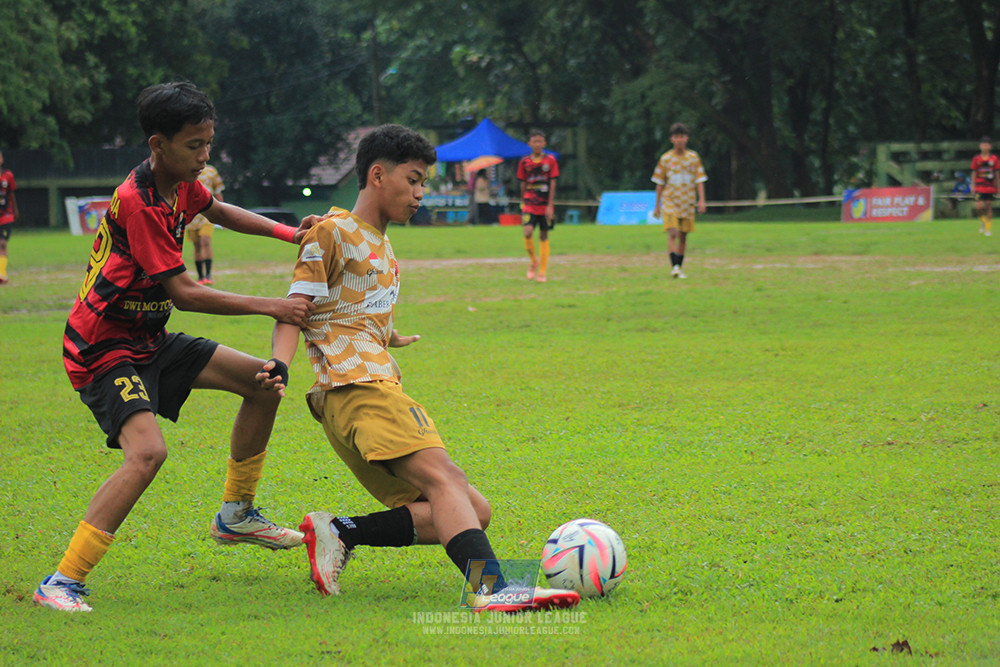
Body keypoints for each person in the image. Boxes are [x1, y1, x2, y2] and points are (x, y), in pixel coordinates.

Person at [33, 82, 321, 614]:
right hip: (102, 347)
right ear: (157, 144)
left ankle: (236, 514)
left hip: (149, 337)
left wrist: (291, 234)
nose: (204, 156)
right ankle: (61, 580)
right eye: (194, 145)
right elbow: (185, 294)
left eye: (209, 143)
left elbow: (223, 210)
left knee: (264, 383)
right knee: (148, 454)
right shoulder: (138, 203)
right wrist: (272, 306)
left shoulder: (182, 184)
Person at [269, 123, 579, 613]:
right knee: (445, 477)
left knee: (473, 510)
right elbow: (296, 309)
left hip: (371, 382)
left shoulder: (383, 246)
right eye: (413, 180)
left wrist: (389, 336)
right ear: (377, 175)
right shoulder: (332, 232)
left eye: (423, 183)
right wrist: (277, 367)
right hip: (355, 385)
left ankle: (340, 531)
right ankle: (491, 588)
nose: (420, 193)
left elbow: (348, 307)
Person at [651, 122, 708, 279]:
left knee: (683, 236)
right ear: (671, 139)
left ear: (687, 138)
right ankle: (674, 266)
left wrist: (701, 200)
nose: (679, 140)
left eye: (682, 136)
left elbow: (700, 180)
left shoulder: (693, 158)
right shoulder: (666, 159)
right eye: (676, 137)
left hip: (688, 202)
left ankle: (679, 267)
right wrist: (657, 206)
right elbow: (660, 183)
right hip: (670, 201)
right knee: (673, 233)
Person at [517, 130, 559, 282]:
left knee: (543, 235)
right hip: (529, 203)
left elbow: (553, 182)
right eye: (534, 141)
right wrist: (523, 202)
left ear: (544, 144)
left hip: (544, 204)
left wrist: (550, 205)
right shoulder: (524, 162)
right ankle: (534, 261)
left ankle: (542, 272)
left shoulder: (550, 161)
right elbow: (522, 183)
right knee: (527, 232)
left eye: (540, 141)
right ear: (529, 144)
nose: (537, 144)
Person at [187, 163, 225, 283]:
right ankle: (200, 277)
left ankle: (208, 275)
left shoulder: (211, 171)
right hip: (191, 214)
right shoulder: (186, 170)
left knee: (205, 240)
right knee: (197, 245)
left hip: (207, 213)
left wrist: (223, 215)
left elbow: (218, 191)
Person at [971, 136, 999, 236]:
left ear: (990, 146)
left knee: (988, 205)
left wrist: (998, 187)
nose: (984, 147)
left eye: (986, 145)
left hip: (990, 187)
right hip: (979, 186)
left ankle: (988, 229)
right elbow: (974, 172)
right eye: (983, 145)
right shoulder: (976, 159)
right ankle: (982, 221)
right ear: (980, 146)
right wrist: (973, 186)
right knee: (979, 207)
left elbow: (996, 174)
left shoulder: (994, 159)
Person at [0, 149, 19, 285]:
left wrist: (15, 210)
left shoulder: (8, 175)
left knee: (2, 243)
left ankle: (2, 272)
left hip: (5, 215)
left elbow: (11, 193)